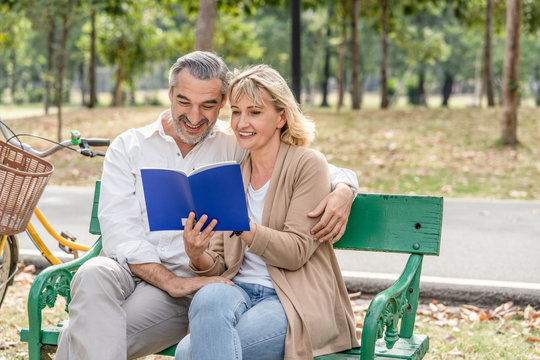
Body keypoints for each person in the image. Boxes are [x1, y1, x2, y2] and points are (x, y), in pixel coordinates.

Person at [56, 51, 359, 359]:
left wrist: (345, 187)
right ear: (171, 94)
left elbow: (302, 163)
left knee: (76, 339)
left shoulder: (233, 144)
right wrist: (171, 280)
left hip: (187, 290)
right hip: (131, 272)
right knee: (92, 271)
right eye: (184, 102)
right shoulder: (130, 145)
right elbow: (119, 233)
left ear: (221, 104)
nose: (195, 116)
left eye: (208, 105)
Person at [176, 64, 359, 360]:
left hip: (293, 299)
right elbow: (221, 264)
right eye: (236, 111)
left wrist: (244, 225)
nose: (241, 122)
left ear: (281, 117)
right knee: (208, 296)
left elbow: (296, 251)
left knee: (188, 353)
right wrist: (197, 254)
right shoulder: (234, 172)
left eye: (255, 112)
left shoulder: (307, 165)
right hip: (238, 289)